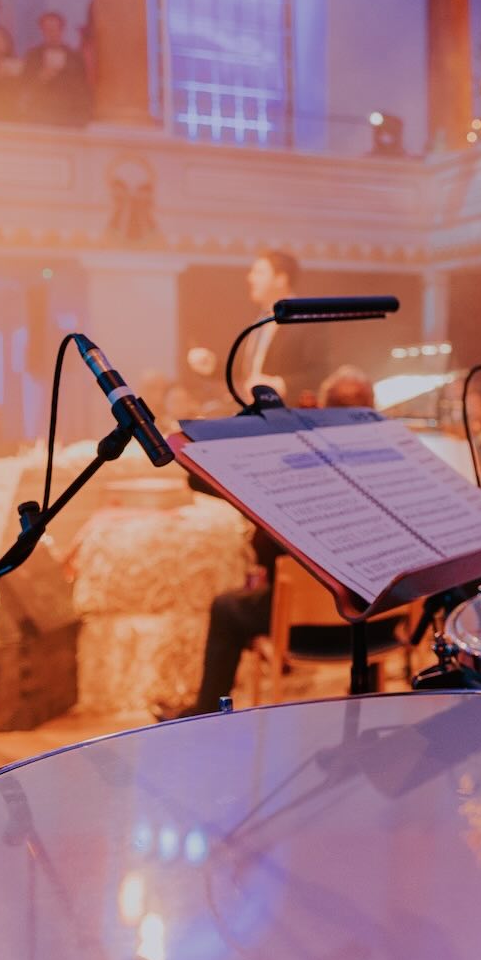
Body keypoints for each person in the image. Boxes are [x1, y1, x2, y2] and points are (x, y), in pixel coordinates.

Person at [167, 365, 399, 720]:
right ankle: (364, 695)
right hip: (382, 626)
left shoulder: (297, 464)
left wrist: (273, 429)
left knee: (227, 608)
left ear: (321, 410)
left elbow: (199, 476)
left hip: (302, 632)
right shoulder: (396, 467)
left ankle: (207, 714)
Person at [238, 249, 325, 403]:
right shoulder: (260, 319)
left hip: (287, 414)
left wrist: (281, 384)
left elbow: (320, 372)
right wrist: (214, 366)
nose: (250, 278)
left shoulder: (305, 319)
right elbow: (251, 370)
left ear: (280, 279)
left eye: (259, 272)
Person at [24, 10, 89, 125]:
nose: (51, 33)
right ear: (42, 31)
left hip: (69, 112)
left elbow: (82, 84)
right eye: (47, 30)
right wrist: (42, 76)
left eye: (55, 29)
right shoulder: (33, 56)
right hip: (41, 111)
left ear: (62, 30)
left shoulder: (74, 56)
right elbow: (25, 84)